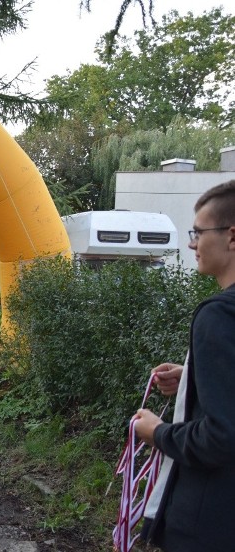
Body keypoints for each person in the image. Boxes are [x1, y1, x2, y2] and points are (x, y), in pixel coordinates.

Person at [134, 180, 235, 551]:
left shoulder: (219, 316)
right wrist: (195, 377)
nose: (192, 243)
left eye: (198, 232)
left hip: (209, 524)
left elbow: (222, 437)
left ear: (232, 236)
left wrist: (158, 433)